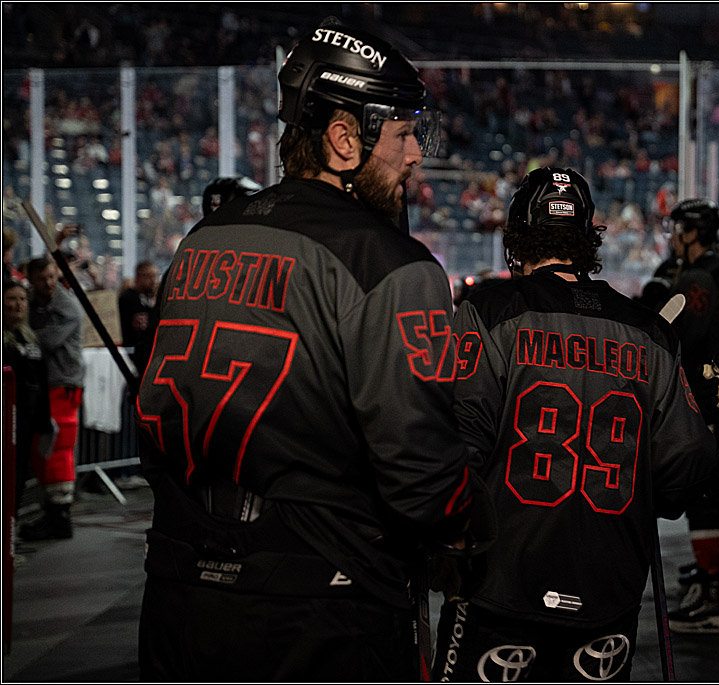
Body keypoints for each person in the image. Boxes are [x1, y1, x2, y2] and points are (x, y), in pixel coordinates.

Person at [135, 19, 487, 681]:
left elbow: (152, 418)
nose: (414, 155)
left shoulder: (199, 243)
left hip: (180, 589)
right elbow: (420, 474)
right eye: (405, 134)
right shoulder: (390, 263)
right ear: (345, 137)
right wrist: (471, 529)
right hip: (323, 611)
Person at [432, 167, 719, 681]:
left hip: (501, 584)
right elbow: (686, 467)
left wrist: (443, 545)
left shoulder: (488, 311)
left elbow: (456, 444)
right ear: (587, 238)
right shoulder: (646, 333)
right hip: (608, 591)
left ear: (517, 236)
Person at [653, 198, 719, 634]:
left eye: (678, 228)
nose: (673, 237)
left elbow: (678, 336)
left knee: (706, 501)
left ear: (692, 232)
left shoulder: (697, 277)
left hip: (709, 402)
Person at [23, 257, 84, 541]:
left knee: (58, 449)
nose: (48, 283)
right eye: (42, 278)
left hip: (63, 385)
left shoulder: (66, 305)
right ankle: (53, 513)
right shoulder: (37, 303)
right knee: (45, 450)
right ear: (32, 279)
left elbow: (45, 341)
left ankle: (59, 516)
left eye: (51, 277)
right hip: (49, 385)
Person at [3, 280, 54, 527]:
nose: (17, 305)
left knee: (18, 479)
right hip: (6, 422)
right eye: (11, 299)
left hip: (26, 423)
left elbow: (42, 382)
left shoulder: (31, 339)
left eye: (22, 299)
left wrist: (44, 422)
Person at [118, 260, 159, 375]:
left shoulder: (153, 300)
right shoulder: (127, 299)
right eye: (149, 276)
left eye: (155, 276)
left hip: (150, 353)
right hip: (133, 353)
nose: (153, 281)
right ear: (139, 276)